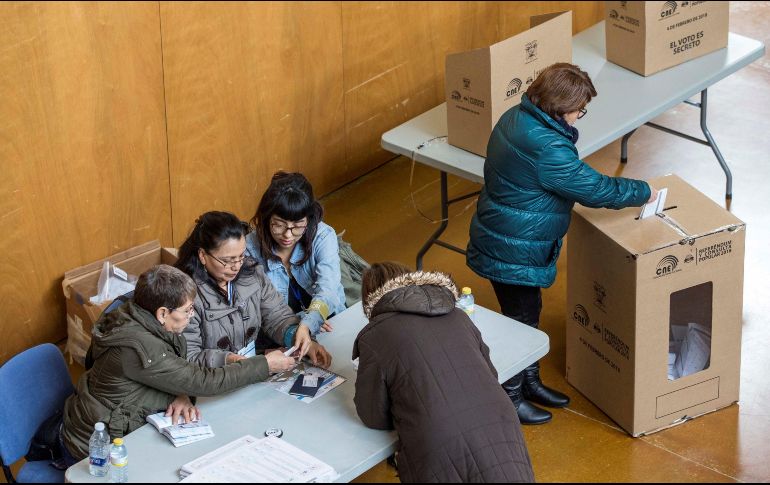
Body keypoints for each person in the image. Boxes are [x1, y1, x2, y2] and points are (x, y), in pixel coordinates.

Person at [466, 62, 658, 425]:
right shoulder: (547, 147)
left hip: (505, 236)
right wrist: (643, 191)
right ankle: (510, 397)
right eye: (579, 109)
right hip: (514, 249)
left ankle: (530, 381)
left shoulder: (517, 116)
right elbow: (596, 189)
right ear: (559, 106)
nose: (579, 116)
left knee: (528, 315)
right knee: (518, 324)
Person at [61, 265, 298, 461]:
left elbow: (169, 372)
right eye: (187, 311)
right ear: (162, 313)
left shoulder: (134, 312)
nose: (191, 316)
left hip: (118, 418)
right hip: (95, 448)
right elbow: (203, 381)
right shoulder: (137, 347)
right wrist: (265, 364)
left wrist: (180, 391)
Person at [353, 262, 535, 483]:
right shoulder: (458, 315)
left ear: (370, 302)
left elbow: (373, 416)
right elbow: (490, 374)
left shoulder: (375, 336)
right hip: (499, 420)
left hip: (437, 437)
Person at [175, 211, 332, 368]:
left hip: (252, 369)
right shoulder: (184, 296)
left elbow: (277, 316)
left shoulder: (252, 272)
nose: (236, 266)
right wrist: (232, 360)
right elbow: (189, 357)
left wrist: (300, 341)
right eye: (227, 260)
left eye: (241, 256)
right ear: (203, 255)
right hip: (215, 380)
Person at [246, 171, 346, 337]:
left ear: (310, 219)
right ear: (266, 218)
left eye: (298, 225)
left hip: (329, 321)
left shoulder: (322, 235)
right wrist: (297, 326)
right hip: (281, 331)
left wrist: (312, 320)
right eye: (278, 225)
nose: (288, 235)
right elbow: (261, 309)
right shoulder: (249, 248)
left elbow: (328, 289)